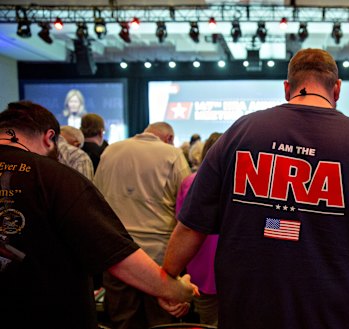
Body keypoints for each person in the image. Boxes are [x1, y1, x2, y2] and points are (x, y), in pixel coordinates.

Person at [162, 48, 349, 329]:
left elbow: (191, 225)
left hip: (248, 313)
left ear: (287, 88)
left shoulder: (240, 133)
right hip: (339, 315)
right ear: (336, 89)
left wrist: (167, 279)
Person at [0, 101, 196, 329]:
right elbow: (111, 249)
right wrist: (173, 289)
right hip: (49, 315)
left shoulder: (106, 155)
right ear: (48, 138)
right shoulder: (56, 178)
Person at [94, 121, 191, 329]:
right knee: (162, 322)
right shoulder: (172, 155)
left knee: (123, 321)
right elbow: (186, 208)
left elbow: (96, 200)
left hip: (116, 255)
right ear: (169, 139)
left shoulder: (111, 151)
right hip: (160, 259)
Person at [176, 132, 223, 326]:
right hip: (229, 264)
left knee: (207, 320)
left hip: (200, 262)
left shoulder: (190, 181)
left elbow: (181, 222)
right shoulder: (241, 182)